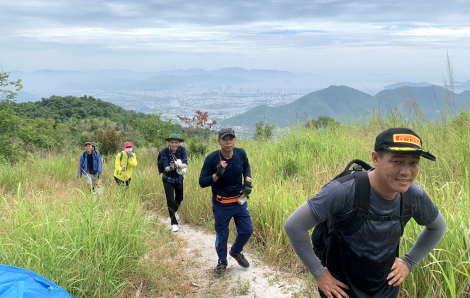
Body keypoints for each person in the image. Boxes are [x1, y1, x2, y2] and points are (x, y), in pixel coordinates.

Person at [284, 128, 446, 298]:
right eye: (397, 161)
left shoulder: (414, 196)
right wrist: (319, 274)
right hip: (340, 291)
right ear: (375, 158)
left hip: (386, 290)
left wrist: (409, 262)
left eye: (413, 163)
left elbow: (437, 227)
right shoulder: (344, 191)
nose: (406, 172)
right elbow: (295, 226)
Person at [199, 127, 254, 277]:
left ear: (235, 140)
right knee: (222, 236)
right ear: (219, 141)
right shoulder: (212, 159)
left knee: (247, 230)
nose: (228, 142)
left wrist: (247, 181)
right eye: (224, 139)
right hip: (221, 204)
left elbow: (246, 167)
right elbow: (202, 182)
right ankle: (222, 262)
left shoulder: (240, 153)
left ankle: (235, 251)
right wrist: (217, 175)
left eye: (231, 139)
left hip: (239, 202)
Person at [160, 134, 188, 232]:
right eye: (172, 142)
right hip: (168, 179)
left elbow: (186, 163)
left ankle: (174, 211)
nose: (174, 144)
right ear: (169, 142)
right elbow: (165, 168)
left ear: (178, 143)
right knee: (170, 200)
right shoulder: (164, 152)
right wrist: (173, 166)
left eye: (176, 142)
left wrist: (180, 166)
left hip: (179, 178)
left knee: (180, 198)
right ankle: (174, 223)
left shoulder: (182, 149)